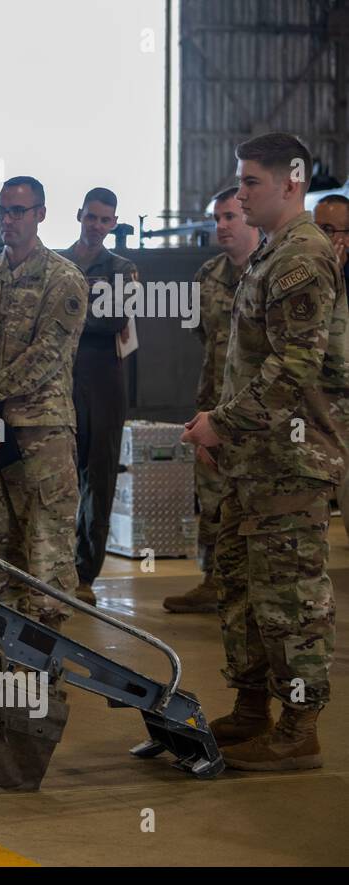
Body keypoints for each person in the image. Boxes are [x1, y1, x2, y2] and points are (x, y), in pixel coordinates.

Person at [183, 132, 348, 771]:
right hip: (253, 461)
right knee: (243, 590)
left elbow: (294, 368)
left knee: (291, 601)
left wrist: (222, 425)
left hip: (291, 463)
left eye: (252, 182)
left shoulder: (301, 256)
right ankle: (252, 709)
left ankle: (299, 728)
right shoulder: (271, 254)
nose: (242, 193)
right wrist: (221, 433)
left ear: (291, 182)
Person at [0, 175, 88, 653]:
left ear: (41, 214)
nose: (8, 220)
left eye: (18, 211)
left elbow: (47, 356)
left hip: (42, 432)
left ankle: (41, 651)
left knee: (46, 540)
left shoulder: (64, 279)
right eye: (2, 211)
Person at [164, 187, 260, 612]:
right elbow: (204, 337)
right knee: (212, 496)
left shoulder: (272, 269)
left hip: (259, 411)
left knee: (256, 502)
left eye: (229, 217)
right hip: (213, 406)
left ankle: (254, 587)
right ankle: (212, 581)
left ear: (249, 219)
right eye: (217, 218)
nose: (220, 226)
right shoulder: (207, 275)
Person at [60, 188, 140, 605]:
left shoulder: (122, 269)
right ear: (79, 215)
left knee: (100, 478)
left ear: (113, 223)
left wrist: (65, 316)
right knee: (57, 474)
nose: (96, 226)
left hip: (105, 382)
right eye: (91, 217)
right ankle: (53, 565)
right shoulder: (56, 263)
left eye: (105, 220)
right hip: (61, 381)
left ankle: (84, 574)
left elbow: (113, 319)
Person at [312, 194, 349, 539]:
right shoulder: (315, 275)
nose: (321, 238)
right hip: (327, 408)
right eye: (317, 228)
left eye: (328, 229)